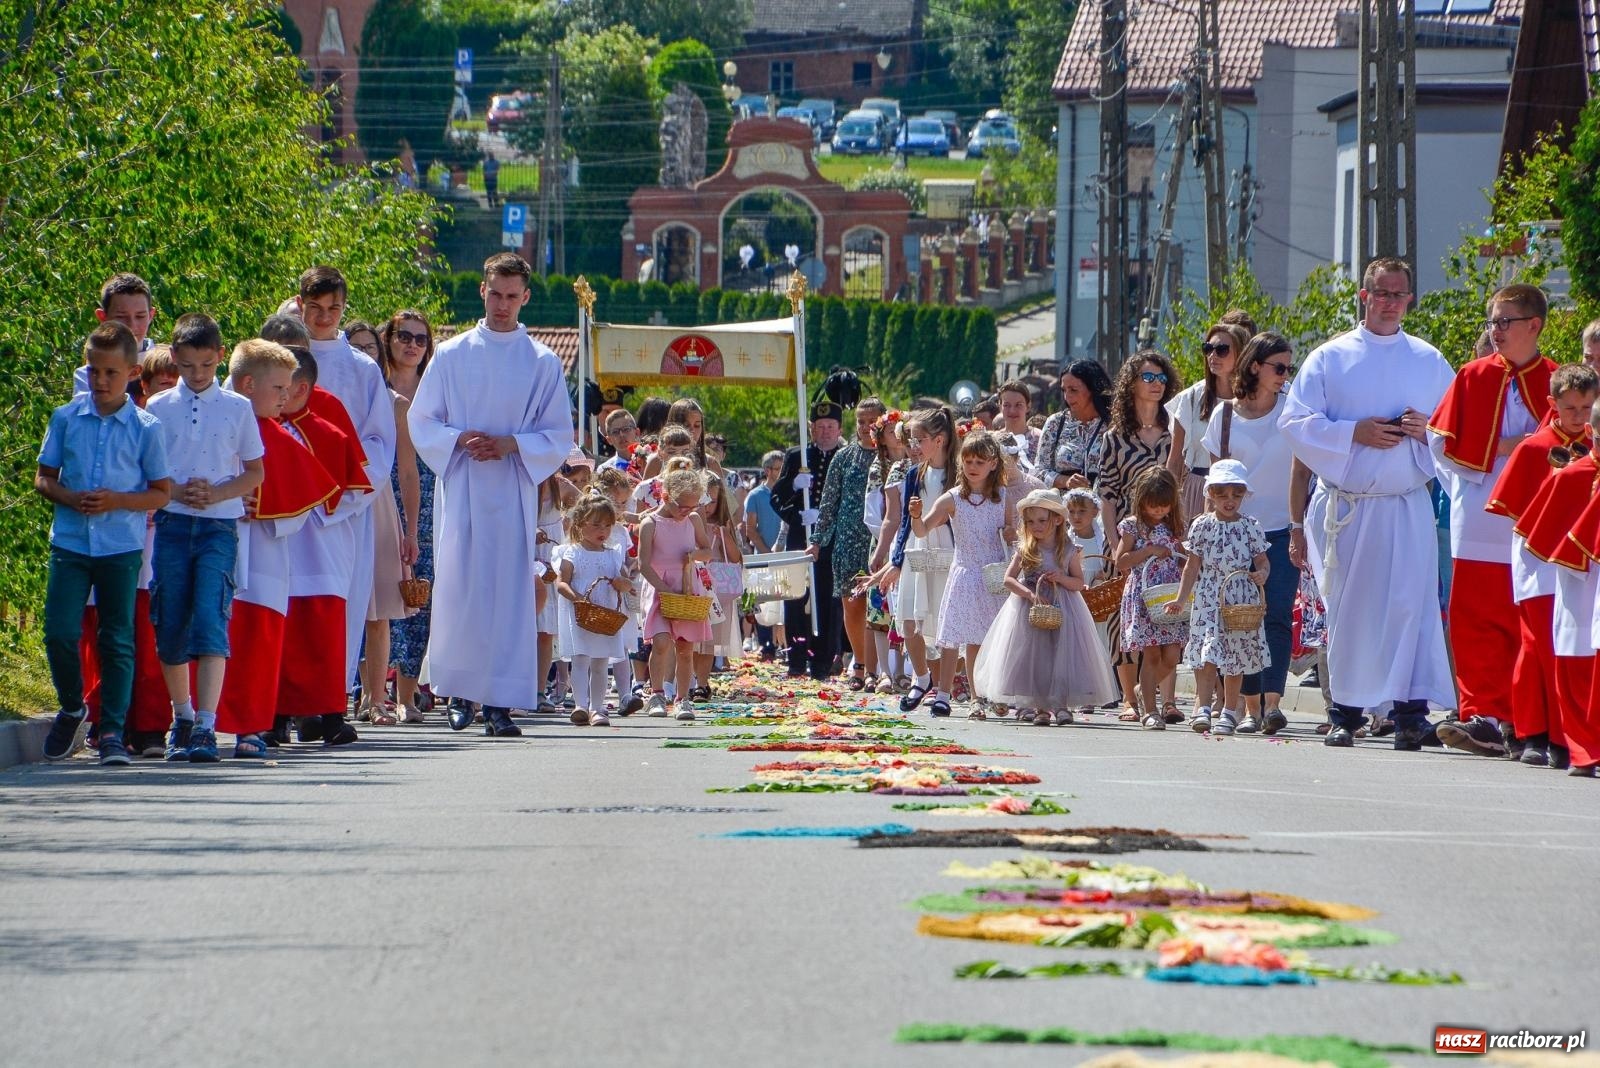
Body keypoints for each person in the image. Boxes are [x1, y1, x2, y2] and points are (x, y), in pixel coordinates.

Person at [1279, 256, 1455, 749]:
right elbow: (1294, 423)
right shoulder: (1330, 357)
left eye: (1399, 294)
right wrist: (1352, 433)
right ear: (1364, 296)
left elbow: (1455, 431)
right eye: (1382, 293)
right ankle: (1346, 713)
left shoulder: (1429, 360)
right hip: (1348, 508)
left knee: (1411, 607)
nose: (1390, 303)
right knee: (1351, 611)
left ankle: (1410, 713)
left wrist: (1425, 431)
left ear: (1410, 299)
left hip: (1405, 504)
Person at [408, 252, 573, 738]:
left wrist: (512, 444)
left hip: (512, 488)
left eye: (512, 296)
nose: (502, 305)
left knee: (507, 594)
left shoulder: (541, 361)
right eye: (495, 294)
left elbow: (558, 433)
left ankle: (501, 702)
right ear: (482, 291)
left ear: (525, 297)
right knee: (461, 587)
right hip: (462, 483)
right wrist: (458, 438)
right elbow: (422, 419)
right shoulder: (451, 353)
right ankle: (461, 693)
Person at [1428, 283, 1556, 751]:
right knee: (1475, 619)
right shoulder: (1472, 375)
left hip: (1535, 520)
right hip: (1479, 517)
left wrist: (1518, 453)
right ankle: (1482, 713)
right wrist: (1502, 452)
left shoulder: (1558, 380)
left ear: (1534, 325)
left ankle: (1527, 722)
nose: (1495, 330)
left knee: (1527, 620)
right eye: (1493, 322)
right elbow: (1440, 443)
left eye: (1505, 321)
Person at [39, 323, 172, 766]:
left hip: (120, 546)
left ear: (132, 373)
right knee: (60, 630)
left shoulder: (146, 427)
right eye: (94, 370)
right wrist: (69, 497)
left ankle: (113, 730)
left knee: (117, 638)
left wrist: (117, 500)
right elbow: (44, 478)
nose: (100, 380)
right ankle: (72, 706)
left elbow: (160, 493)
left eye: (111, 372)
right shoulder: (65, 418)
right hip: (71, 543)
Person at [143, 313, 265, 763]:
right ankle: (182, 716)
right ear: (174, 357)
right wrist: (175, 491)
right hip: (172, 524)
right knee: (170, 620)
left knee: (212, 618)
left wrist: (217, 493)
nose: (197, 374)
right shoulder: (157, 408)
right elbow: (147, 472)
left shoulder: (237, 407)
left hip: (219, 526)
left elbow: (254, 471)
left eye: (207, 365)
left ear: (219, 357)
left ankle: (207, 726)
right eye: (188, 365)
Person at [216, 340, 339, 757]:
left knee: (258, 642)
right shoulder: (215, 422)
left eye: (288, 389)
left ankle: (252, 725)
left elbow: (301, 506)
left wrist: (267, 508)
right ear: (248, 385)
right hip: (213, 548)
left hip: (265, 557)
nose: (286, 397)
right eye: (279, 388)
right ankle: (197, 722)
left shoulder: (282, 437)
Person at [1483, 363, 1598, 767]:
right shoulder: (1534, 448)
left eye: (1586, 408)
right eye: (1570, 409)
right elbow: (1516, 512)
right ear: (1552, 404)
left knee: (1576, 647)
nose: (1579, 417)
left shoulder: (1595, 446)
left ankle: (1569, 737)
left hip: (1583, 563)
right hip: (1538, 559)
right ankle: (1532, 733)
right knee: (1537, 646)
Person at [297, 266, 398, 701]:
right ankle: (283, 704)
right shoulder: (278, 359)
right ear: (299, 304)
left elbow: (379, 441)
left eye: (333, 308)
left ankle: (330, 700)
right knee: (290, 606)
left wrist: (346, 487)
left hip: (343, 506)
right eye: (315, 307)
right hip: (286, 505)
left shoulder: (362, 369)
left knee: (344, 601)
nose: (324, 317)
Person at [1202, 332, 1298, 734]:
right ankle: (1248, 706)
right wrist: (1205, 538)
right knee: (1240, 621)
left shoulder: (1293, 408)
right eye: (1279, 367)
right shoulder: (1224, 416)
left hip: (1282, 529)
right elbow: (1214, 483)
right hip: (1235, 534)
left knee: (1277, 614)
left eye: (1289, 368)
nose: (1285, 375)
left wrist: (1300, 526)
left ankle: (1272, 705)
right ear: (1255, 366)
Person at [276, 349, 372, 747]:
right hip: (277, 546)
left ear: (302, 387)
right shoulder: (261, 426)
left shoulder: (329, 428)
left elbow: (356, 490)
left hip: (322, 543)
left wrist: (315, 502)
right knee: (281, 632)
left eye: (283, 386)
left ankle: (332, 715)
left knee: (324, 634)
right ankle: (276, 717)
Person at [973, 488, 1115, 726]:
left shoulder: (1068, 549)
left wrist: (1061, 578)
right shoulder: (1026, 549)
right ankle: (1037, 706)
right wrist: (1030, 594)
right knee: (1033, 657)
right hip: (1029, 608)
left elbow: (1078, 583)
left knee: (1061, 655)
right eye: (1030, 522)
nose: (1035, 526)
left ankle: (1060, 704)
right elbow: (1008, 580)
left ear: (1057, 520)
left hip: (1063, 607)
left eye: (1041, 520)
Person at [1098, 350, 1183, 722]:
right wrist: (1113, 542)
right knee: (1125, 620)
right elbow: (1106, 493)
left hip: (1167, 533)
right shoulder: (1115, 437)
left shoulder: (1175, 431)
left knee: (1169, 612)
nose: (1156, 384)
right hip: (1127, 533)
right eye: (1148, 377)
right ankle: (1131, 701)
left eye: (1161, 378)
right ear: (1131, 384)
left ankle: (1167, 700)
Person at [910, 427, 1009, 719]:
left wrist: (1012, 533)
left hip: (994, 576)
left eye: (980, 462)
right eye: (968, 461)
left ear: (993, 464)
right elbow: (922, 530)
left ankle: (995, 693)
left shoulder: (1003, 498)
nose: (973, 467)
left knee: (993, 637)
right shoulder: (953, 498)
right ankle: (957, 695)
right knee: (961, 637)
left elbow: (1015, 533)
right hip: (965, 573)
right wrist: (915, 516)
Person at [1167, 459, 1271, 736]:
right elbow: (1192, 566)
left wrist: (1262, 573)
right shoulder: (1202, 525)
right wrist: (1181, 599)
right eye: (1223, 495)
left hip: (1239, 596)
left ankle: (1229, 710)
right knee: (1207, 654)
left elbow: (1262, 559)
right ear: (1211, 494)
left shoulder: (1250, 526)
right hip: (1208, 595)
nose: (1230, 501)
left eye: (1236, 495)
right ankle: (1203, 707)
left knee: (1235, 655)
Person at [356, 321, 422, 726]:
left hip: (379, 507)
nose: (363, 354)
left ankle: (377, 699)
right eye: (355, 346)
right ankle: (346, 694)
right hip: (333, 503)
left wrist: (411, 530)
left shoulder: (395, 403)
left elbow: (408, 471)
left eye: (369, 347)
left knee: (378, 611)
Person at [378, 310, 435, 722]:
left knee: (419, 595)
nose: (412, 344)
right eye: (404, 336)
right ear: (389, 339)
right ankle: (371, 690)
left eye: (420, 338)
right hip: (381, 491)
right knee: (379, 594)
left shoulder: (434, 390)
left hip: (427, 495)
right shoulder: (373, 385)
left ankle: (407, 694)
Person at [811, 396, 887, 691]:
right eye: (861, 421)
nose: (866, 427)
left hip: (880, 540)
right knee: (853, 605)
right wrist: (818, 540)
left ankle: (882, 668)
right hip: (848, 540)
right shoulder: (844, 458)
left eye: (872, 421)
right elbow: (829, 502)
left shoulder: (893, 455)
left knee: (881, 606)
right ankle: (860, 663)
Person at [889, 406, 957, 711]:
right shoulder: (914, 474)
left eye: (920, 440)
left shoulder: (958, 473)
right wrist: (896, 561)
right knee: (908, 619)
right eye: (913, 440)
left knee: (947, 621)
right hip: (917, 546)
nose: (914, 446)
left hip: (950, 548)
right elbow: (906, 520)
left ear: (939, 440)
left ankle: (944, 691)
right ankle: (921, 677)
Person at [773, 400, 844, 679]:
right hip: (800, 538)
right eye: (820, 426)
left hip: (830, 542)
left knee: (827, 601)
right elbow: (776, 497)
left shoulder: (844, 456)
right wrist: (795, 508)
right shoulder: (797, 456)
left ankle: (822, 661)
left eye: (830, 426)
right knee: (795, 599)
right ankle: (796, 659)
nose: (825, 431)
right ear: (812, 429)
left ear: (839, 429)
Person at [1113, 466, 1188, 730]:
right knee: (1152, 654)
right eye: (1153, 505)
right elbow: (1120, 561)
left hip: (1170, 596)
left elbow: (1184, 559)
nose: (1158, 511)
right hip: (1145, 597)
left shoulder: (1173, 526)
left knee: (1172, 655)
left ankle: (1143, 689)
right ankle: (1151, 711)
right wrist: (1148, 551)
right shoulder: (1133, 526)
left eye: (1164, 506)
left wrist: (1183, 559)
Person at [638, 464, 713, 721]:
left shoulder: (693, 520)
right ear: (666, 496)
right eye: (682, 506)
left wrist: (695, 555)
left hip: (687, 587)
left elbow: (707, 551)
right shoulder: (650, 523)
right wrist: (664, 590)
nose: (686, 511)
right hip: (660, 588)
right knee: (660, 642)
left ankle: (682, 699)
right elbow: (643, 565)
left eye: (692, 506)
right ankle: (657, 693)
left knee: (685, 647)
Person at [554, 494, 629, 727]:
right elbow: (561, 582)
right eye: (596, 525)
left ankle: (597, 708)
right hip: (581, 615)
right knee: (580, 659)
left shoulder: (613, 554)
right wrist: (578, 599)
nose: (602, 531)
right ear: (580, 524)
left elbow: (624, 581)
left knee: (600, 663)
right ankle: (580, 705)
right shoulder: (573, 552)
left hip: (604, 615)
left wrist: (622, 583)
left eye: (607, 525)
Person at [1168, 323, 1245, 523]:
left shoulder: (1251, 400)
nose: (1213, 355)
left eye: (1222, 350)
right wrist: (1167, 503)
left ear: (1241, 353)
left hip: (1241, 492)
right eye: (1208, 348)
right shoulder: (1191, 398)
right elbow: (1175, 459)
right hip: (1198, 489)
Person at [694, 471, 744, 696]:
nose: (707, 506)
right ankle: (687, 681)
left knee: (709, 640)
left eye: (713, 501)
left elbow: (735, 558)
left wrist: (725, 534)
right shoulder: (687, 523)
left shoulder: (722, 524)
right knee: (690, 639)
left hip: (716, 590)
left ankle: (702, 682)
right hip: (693, 585)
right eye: (703, 500)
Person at [73, 273, 158, 396]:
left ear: (151, 316)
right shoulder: (87, 377)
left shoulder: (170, 366)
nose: (131, 325)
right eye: (121, 317)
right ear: (103, 317)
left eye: (140, 316)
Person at [1037, 360, 1112, 492]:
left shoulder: (1114, 423)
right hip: (1062, 503)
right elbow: (1039, 472)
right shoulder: (1055, 423)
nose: (1067, 396)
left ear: (1092, 389)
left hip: (1104, 502)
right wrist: (1065, 481)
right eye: (1064, 390)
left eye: (1073, 390)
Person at [994, 382, 1039, 465]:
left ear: (1028, 406)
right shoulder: (993, 440)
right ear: (1000, 407)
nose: (1012, 410)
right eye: (1006, 405)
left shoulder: (1039, 438)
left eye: (1018, 405)